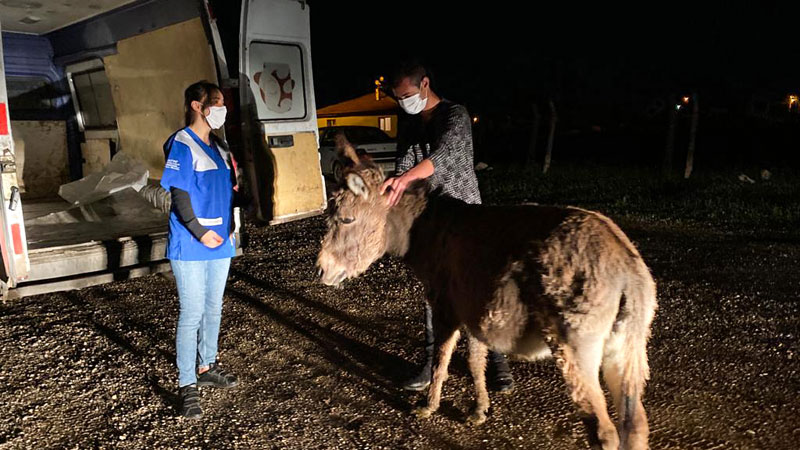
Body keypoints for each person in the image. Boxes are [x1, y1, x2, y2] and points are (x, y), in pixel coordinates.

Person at [381, 61, 514, 392]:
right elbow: (404, 163)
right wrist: (392, 188)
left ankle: (496, 361)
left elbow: (444, 156)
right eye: (398, 99)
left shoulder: (455, 115)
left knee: (478, 288)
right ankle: (430, 363)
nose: (404, 104)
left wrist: (405, 178)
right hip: (430, 221)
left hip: (466, 215)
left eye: (408, 96)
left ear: (425, 84)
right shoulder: (411, 124)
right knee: (434, 292)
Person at [161, 81, 239, 419]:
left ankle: (207, 367)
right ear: (197, 105)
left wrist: (232, 227)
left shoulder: (220, 147)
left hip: (220, 242)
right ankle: (186, 383)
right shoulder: (181, 143)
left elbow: (230, 191)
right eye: (217, 103)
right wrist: (199, 231)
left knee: (213, 308)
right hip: (192, 242)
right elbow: (179, 195)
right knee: (191, 313)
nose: (222, 109)